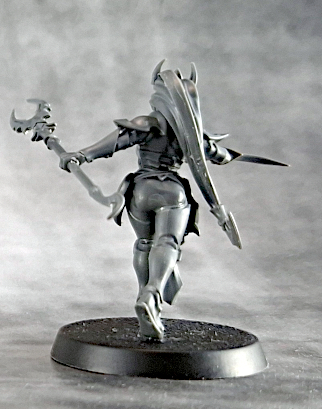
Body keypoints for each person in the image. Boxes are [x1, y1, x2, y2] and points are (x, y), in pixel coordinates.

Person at [57, 61, 281, 341]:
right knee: (167, 243)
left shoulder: (147, 124)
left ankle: (144, 297)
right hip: (172, 193)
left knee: (144, 243)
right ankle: (152, 295)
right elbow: (217, 156)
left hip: (140, 191)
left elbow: (116, 141)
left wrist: (80, 155)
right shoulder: (192, 135)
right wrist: (230, 155)